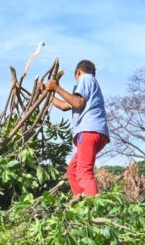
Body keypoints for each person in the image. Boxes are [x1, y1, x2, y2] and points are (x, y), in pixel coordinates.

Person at [44, 59, 109, 197]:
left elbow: (77, 102)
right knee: (73, 170)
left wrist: (56, 88)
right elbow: (64, 106)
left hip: (89, 131)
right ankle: (80, 200)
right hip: (96, 133)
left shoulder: (86, 79)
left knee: (84, 172)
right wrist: (47, 93)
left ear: (78, 72)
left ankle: (92, 207)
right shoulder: (91, 85)